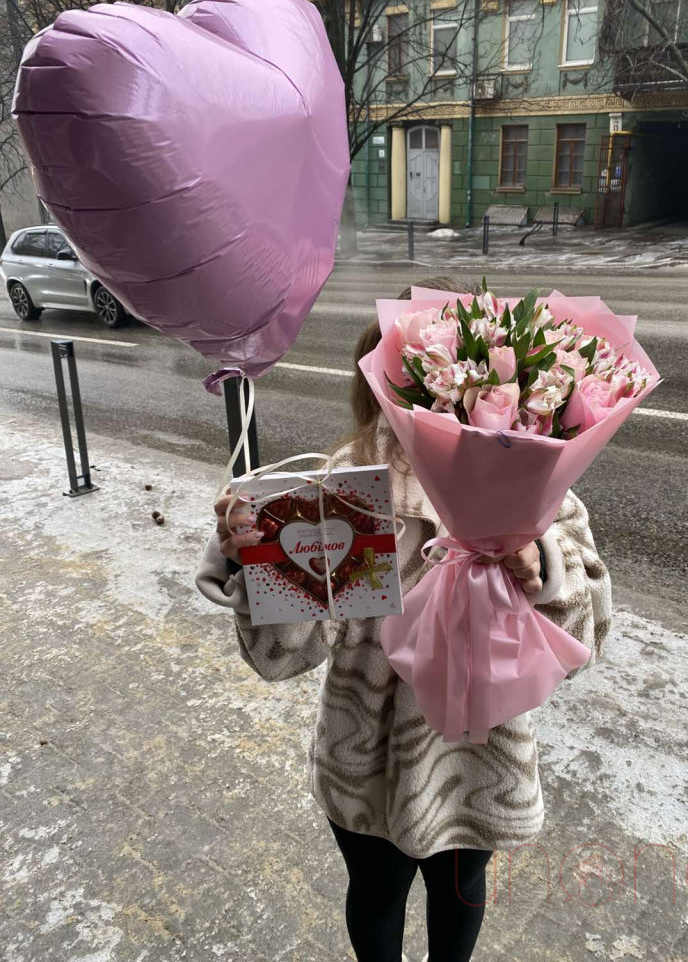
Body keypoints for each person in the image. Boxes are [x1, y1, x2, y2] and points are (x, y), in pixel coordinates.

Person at [195, 277, 613, 962]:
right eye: (420, 377)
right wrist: (256, 561)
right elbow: (285, 654)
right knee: (377, 891)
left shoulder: (535, 488)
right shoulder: (348, 488)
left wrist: (541, 560)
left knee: (461, 891)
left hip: (477, 759)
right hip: (368, 763)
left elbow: (589, 625)